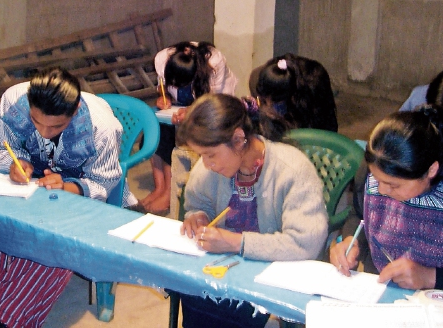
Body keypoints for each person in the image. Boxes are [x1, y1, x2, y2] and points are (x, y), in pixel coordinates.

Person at [0, 67, 136, 328]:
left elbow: (104, 183)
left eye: (56, 126)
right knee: (11, 225)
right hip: (35, 184)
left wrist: (67, 188)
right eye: (37, 123)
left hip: (81, 194)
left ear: (75, 109)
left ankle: (0, 319)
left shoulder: (100, 127)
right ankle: (0, 317)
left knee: (57, 240)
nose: (45, 133)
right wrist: (17, 165)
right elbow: (1, 151)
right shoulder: (15, 100)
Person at [176, 93, 328, 328]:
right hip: (227, 270)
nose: (206, 164)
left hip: (274, 274)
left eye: (210, 155)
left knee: (234, 310)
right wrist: (197, 216)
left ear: (238, 139)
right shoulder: (211, 169)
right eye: (201, 156)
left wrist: (237, 243)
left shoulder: (292, 170)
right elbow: (196, 200)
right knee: (194, 293)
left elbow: (305, 243)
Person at [330, 107, 443, 292]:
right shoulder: (374, 168)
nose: (381, 190)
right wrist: (351, 240)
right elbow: (359, 215)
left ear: (431, 170)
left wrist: (430, 277)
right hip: (381, 290)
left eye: (394, 185)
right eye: (377, 180)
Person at [141, 41, 238, 215]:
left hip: (211, 102)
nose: (176, 86)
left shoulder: (214, 64)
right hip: (181, 107)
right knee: (158, 127)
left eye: (181, 84)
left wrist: (192, 110)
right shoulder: (163, 58)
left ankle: (168, 193)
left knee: (180, 133)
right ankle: (159, 189)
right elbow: (162, 86)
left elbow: (214, 103)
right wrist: (165, 98)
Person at [252, 53, 338, 132]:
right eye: (263, 100)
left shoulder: (310, 98)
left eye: (274, 102)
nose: (267, 106)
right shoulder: (273, 72)